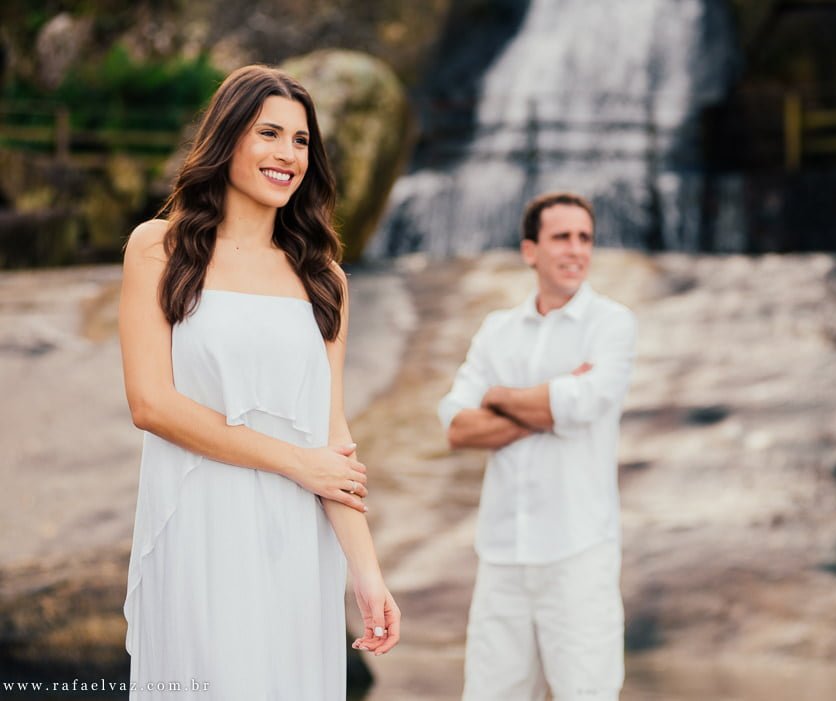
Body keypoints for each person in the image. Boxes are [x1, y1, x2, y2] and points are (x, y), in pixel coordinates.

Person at [118, 65, 399, 699]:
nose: (288, 155)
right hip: (200, 526)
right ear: (227, 139)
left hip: (298, 538)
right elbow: (151, 404)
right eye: (269, 133)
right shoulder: (158, 249)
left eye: (301, 141)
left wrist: (368, 573)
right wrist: (298, 463)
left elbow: (333, 435)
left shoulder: (324, 276)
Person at [438, 192, 637, 700]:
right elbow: (457, 427)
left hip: (578, 553)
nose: (576, 250)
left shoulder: (612, 323)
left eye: (585, 238)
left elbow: (583, 404)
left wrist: (499, 397)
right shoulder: (497, 330)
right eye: (562, 238)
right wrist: (550, 402)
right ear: (531, 251)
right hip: (501, 555)